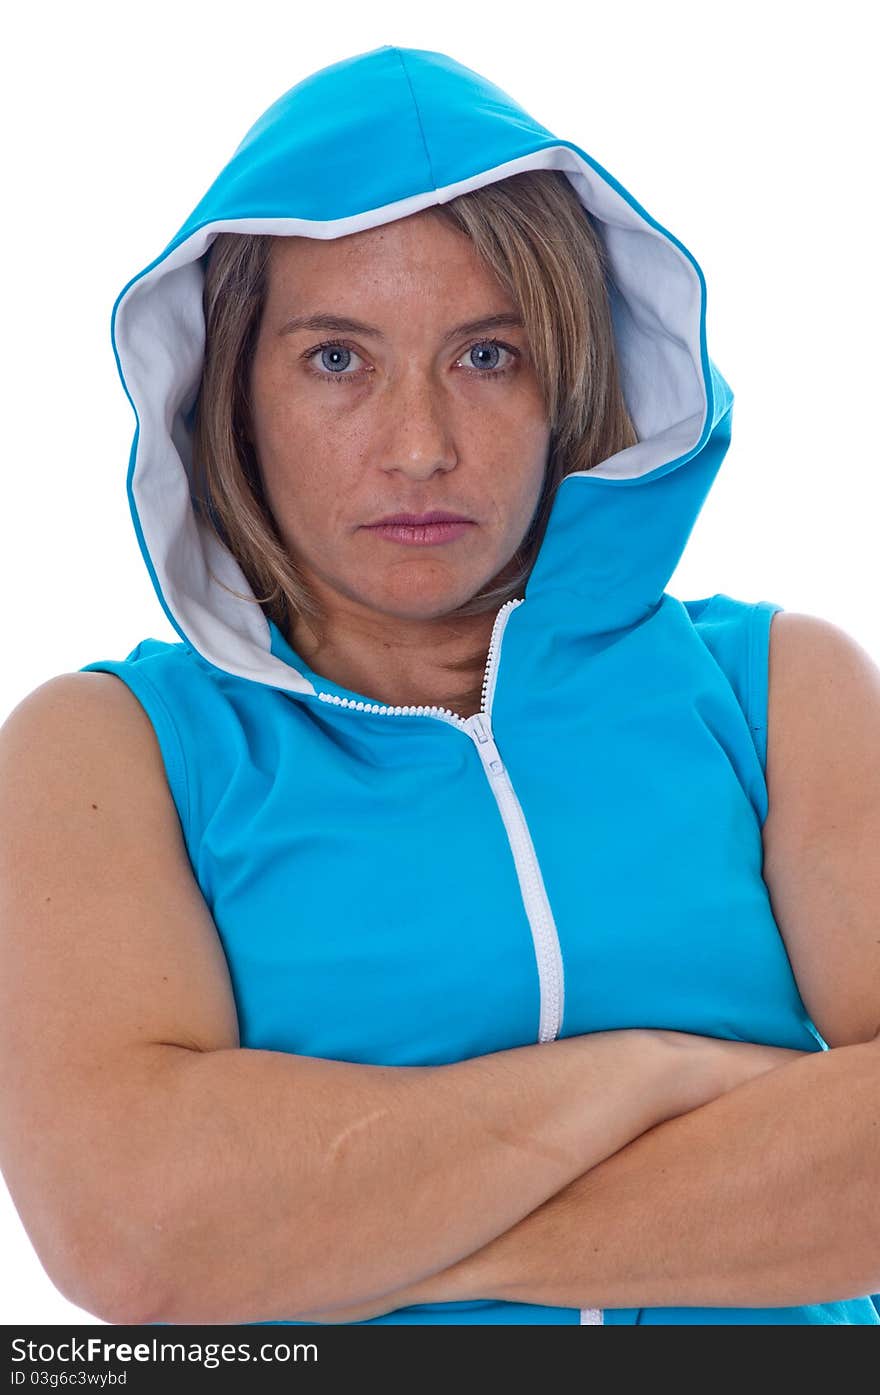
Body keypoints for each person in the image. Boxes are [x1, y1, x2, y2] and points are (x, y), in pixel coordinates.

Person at [0, 44, 878, 1328]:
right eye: (336, 361)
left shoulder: (777, 690)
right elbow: (142, 1237)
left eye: (486, 356)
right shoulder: (106, 752)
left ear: (573, 375)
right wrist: (650, 1074)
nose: (419, 447)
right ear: (227, 397)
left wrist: (336, 1239)